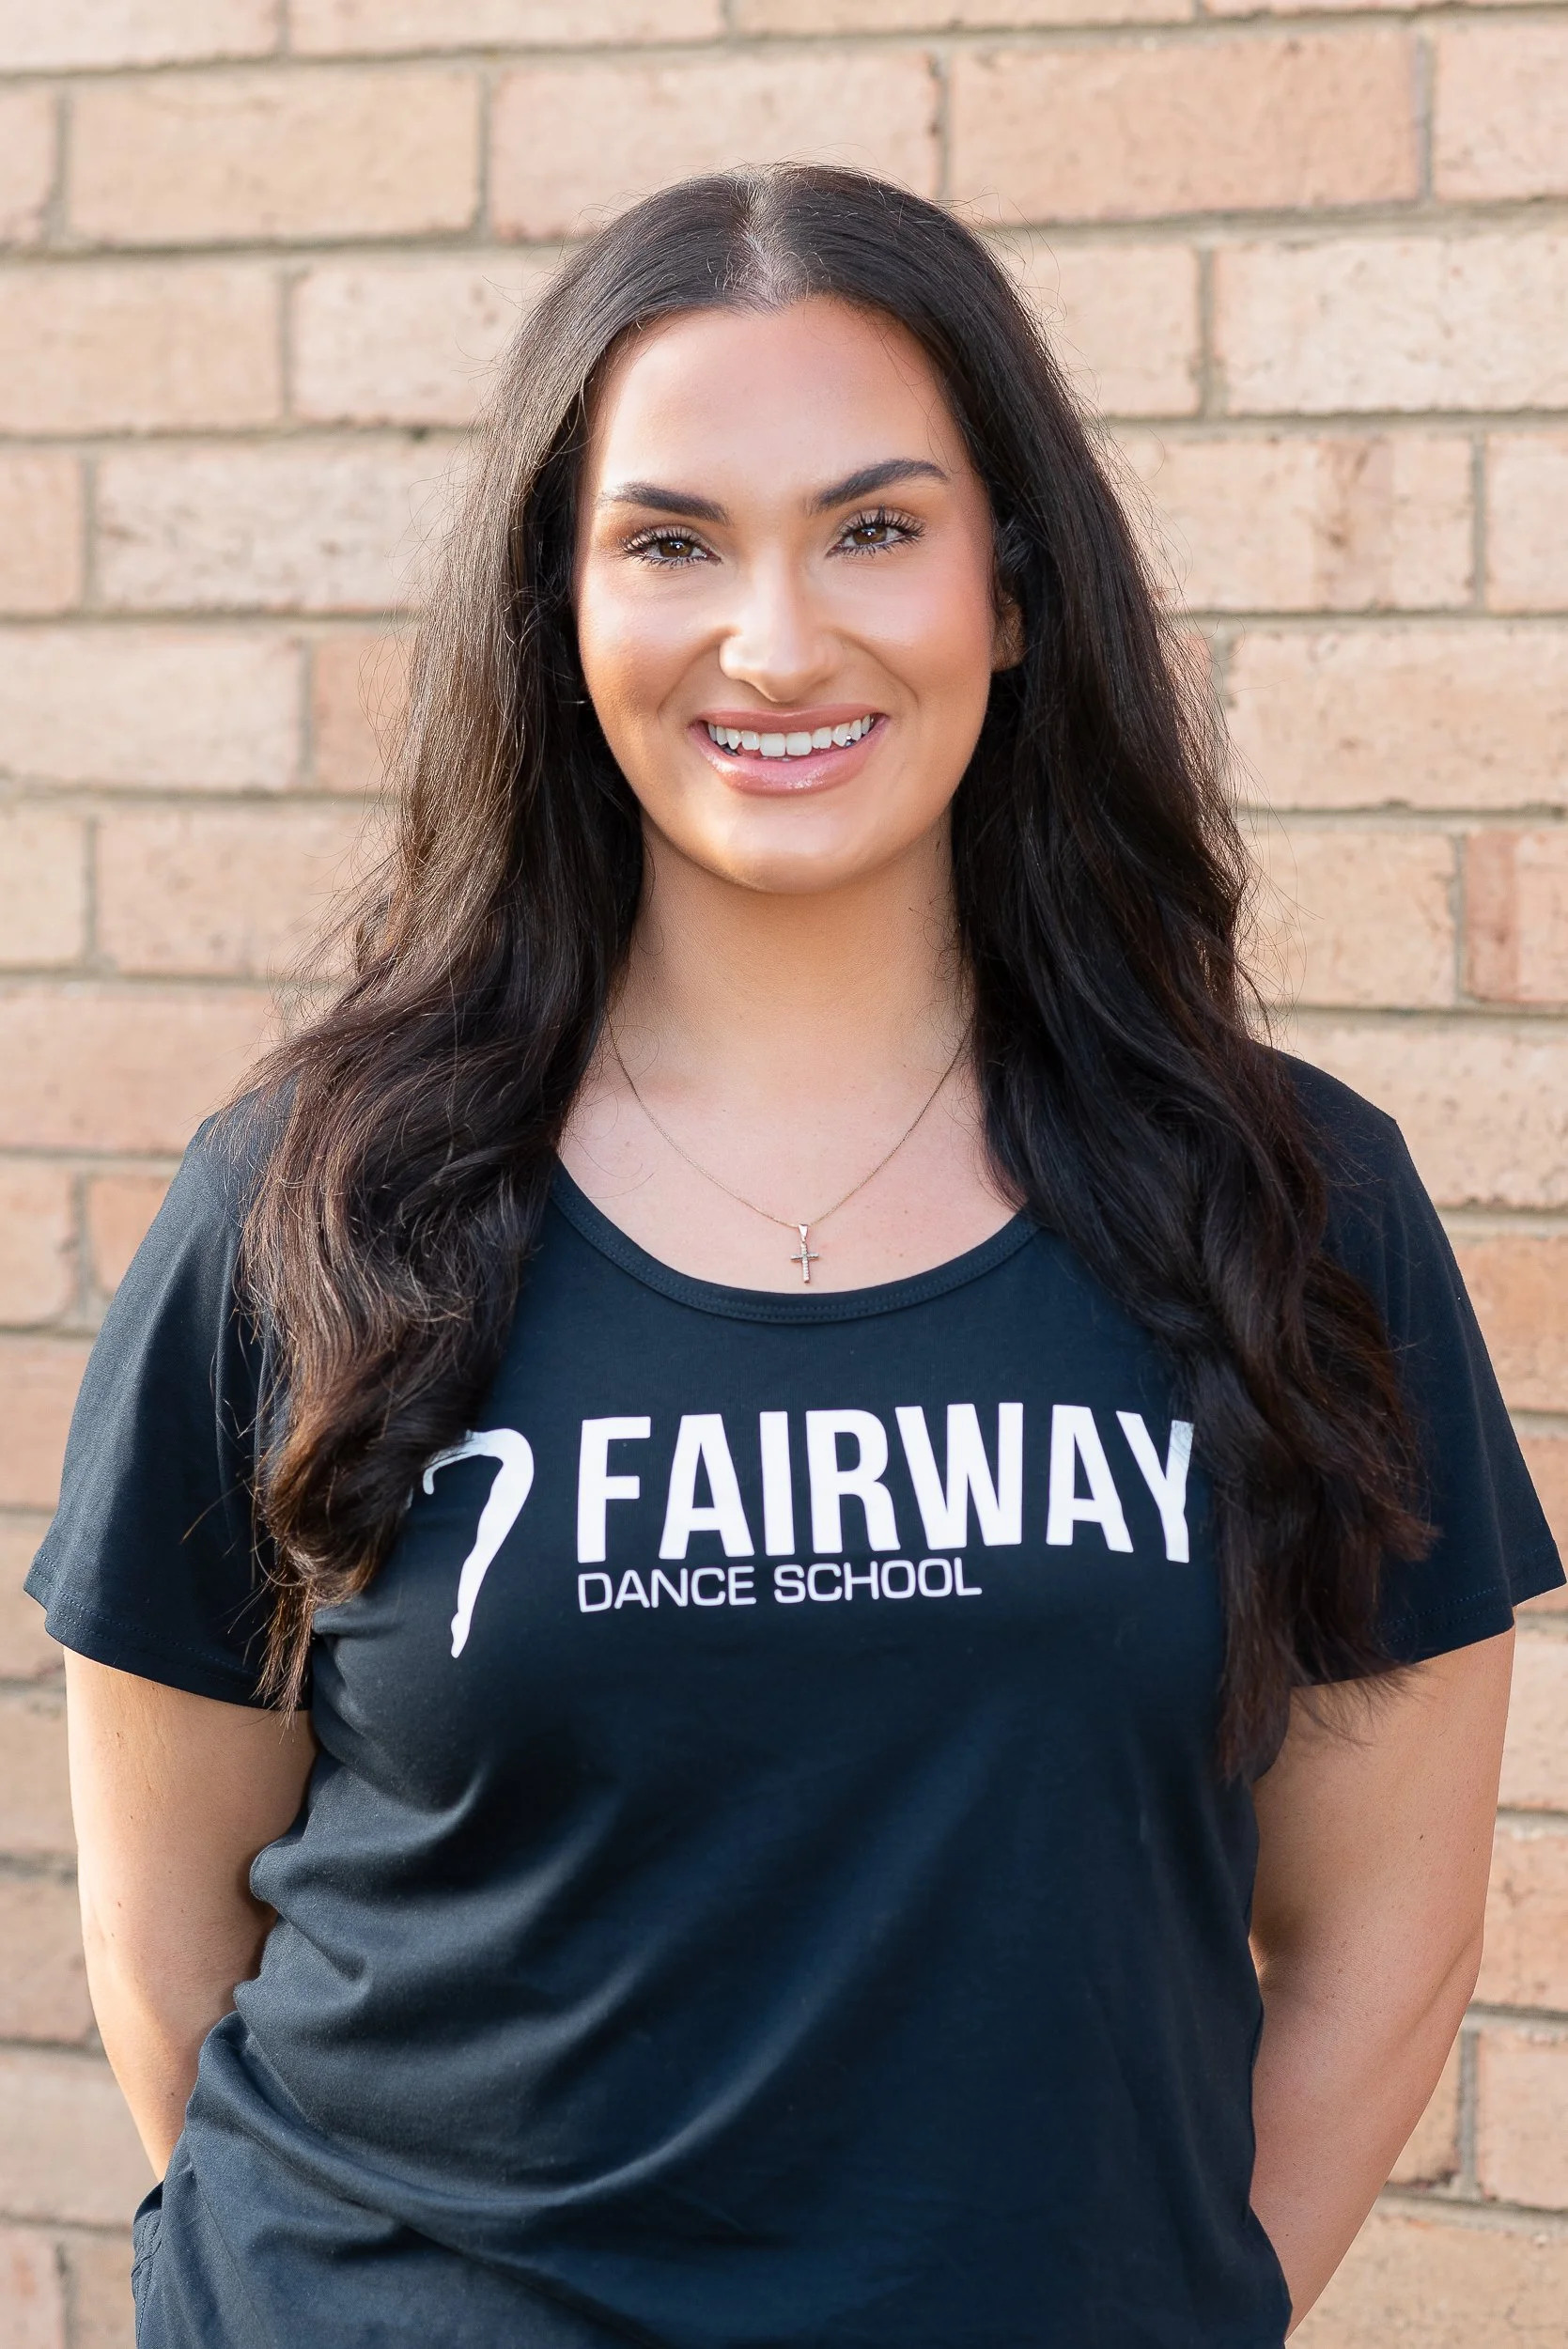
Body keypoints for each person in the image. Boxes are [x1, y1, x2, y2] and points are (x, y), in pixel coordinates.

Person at [31, 165, 1560, 2349]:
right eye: (668, 542)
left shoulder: (1291, 1211)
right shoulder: (315, 1203)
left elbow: (1375, 1948)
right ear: (557, 615)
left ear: (1011, 593)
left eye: (873, 527)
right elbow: (168, 1939)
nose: (772, 635)